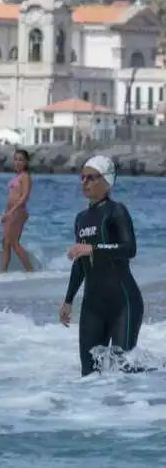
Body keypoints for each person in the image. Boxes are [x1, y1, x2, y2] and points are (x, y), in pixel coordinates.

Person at [60, 156, 144, 376]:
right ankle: (93, 412)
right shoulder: (81, 219)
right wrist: (68, 300)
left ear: (106, 181)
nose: (84, 182)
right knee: (89, 375)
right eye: (82, 177)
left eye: (91, 177)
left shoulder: (116, 211)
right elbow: (80, 264)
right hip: (92, 307)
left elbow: (129, 249)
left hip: (123, 303)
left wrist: (93, 249)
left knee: (122, 371)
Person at [1, 149, 34, 272]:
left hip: (18, 212)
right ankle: (3, 272)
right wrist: (6, 212)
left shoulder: (25, 177)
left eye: (21, 160)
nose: (17, 162)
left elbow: (24, 196)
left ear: (26, 162)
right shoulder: (17, 176)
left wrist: (11, 212)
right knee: (5, 243)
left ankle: (30, 270)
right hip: (11, 212)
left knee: (14, 242)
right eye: (15, 159)